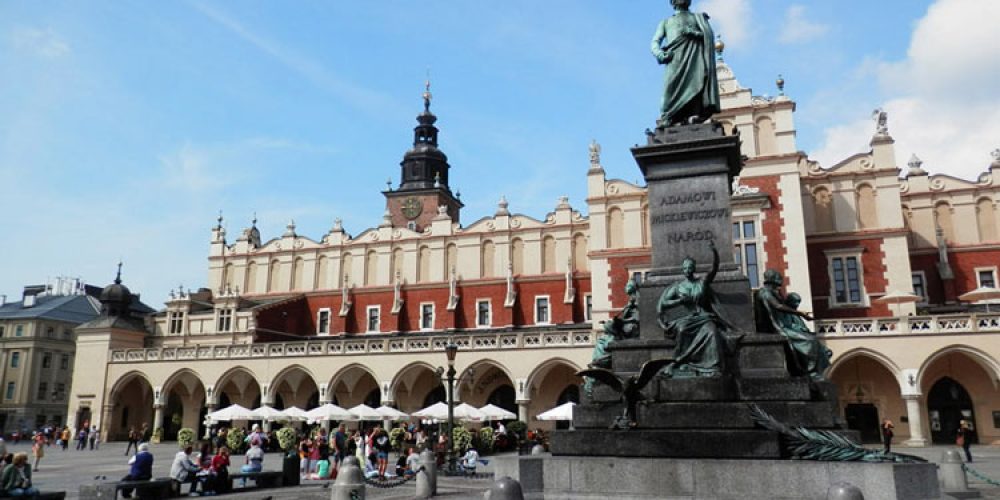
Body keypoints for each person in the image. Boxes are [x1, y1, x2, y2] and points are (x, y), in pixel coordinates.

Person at [657, 240, 732, 377]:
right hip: (686, 318)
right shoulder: (678, 286)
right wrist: (680, 301)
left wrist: (714, 252)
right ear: (682, 269)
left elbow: (714, 269)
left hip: (704, 317)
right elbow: (664, 303)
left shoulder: (701, 282)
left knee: (712, 331)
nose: (687, 270)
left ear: (694, 268)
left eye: (690, 267)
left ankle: (711, 366)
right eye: (685, 268)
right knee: (682, 330)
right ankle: (680, 361)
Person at [650, 0, 720, 126]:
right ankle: (669, 117)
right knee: (668, 93)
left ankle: (694, 116)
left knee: (696, 84)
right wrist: (659, 54)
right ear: (672, 2)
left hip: (695, 59)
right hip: (674, 60)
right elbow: (655, 42)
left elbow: (707, 37)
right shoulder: (666, 22)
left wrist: (693, 33)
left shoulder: (697, 18)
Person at [754, 270, 832, 379]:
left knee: (813, 341)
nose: (781, 283)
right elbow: (777, 306)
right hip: (777, 328)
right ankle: (809, 371)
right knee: (810, 341)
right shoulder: (765, 292)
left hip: (783, 326)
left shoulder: (773, 293)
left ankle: (812, 371)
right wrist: (800, 313)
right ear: (774, 280)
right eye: (779, 279)